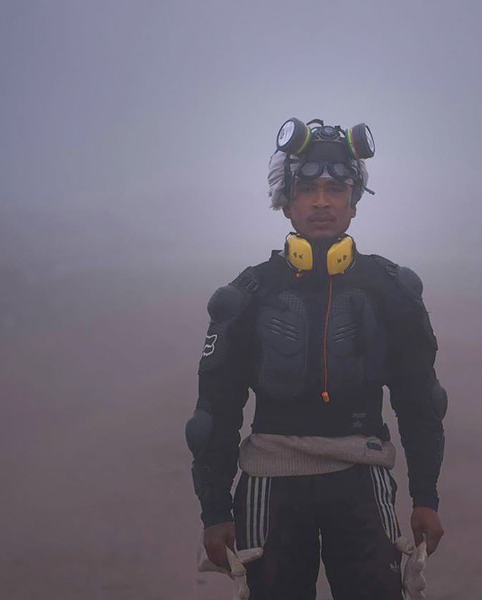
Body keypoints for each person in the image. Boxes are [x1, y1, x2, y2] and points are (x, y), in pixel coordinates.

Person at [185, 118, 447, 599]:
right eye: (307, 188)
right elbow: (214, 414)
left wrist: (425, 497)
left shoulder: (391, 292)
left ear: (355, 199)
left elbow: (420, 401)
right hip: (270, 487)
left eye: (335, 187)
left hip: (363, 483)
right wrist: (216, 512)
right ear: (285, 200)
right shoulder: (248, 294)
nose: (322, 201)